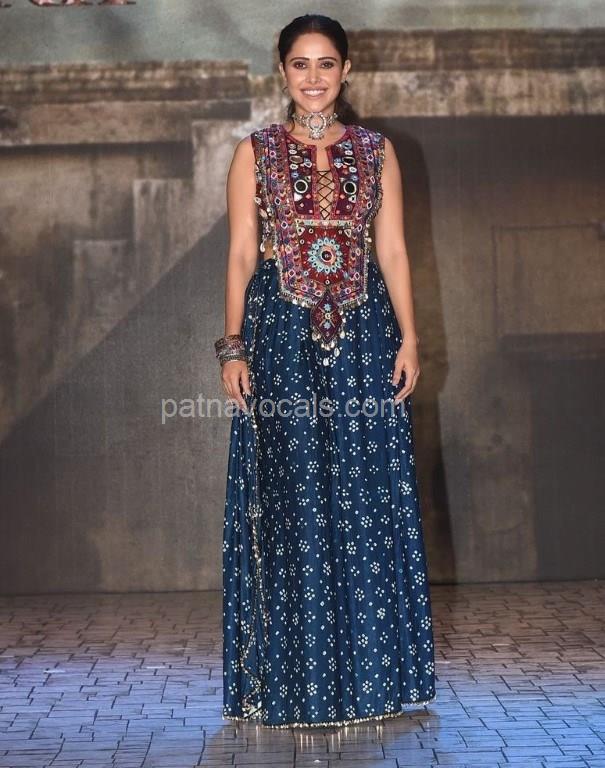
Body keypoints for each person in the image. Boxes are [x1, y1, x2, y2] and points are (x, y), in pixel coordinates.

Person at [215, 13, 436, 729]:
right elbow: (241, 254)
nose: (313, 77)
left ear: (346, 70)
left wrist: (410, 338)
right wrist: (232, 346)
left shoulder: (376, 151)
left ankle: (371, 679)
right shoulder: (254, 151)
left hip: (365, 336)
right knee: (293, 499)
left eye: (327, 63)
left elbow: (392, 251)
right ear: (282, 70)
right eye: (300, 63)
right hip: (280, 338)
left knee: (364, 497)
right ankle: (291, 680)